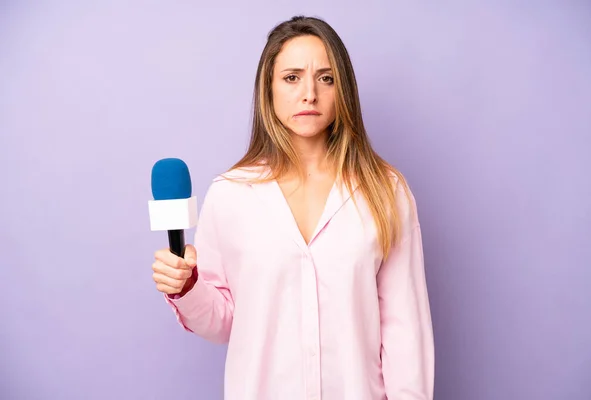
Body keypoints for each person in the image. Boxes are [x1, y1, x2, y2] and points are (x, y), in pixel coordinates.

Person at [151, 15, 434, 400]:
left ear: (343, 90)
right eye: (291, 77)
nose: (309, 94)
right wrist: (188, 287)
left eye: (326, 78)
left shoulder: (385, 191)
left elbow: (405, 330)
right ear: (268, 90)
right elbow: (223, 322)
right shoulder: (231, 194)